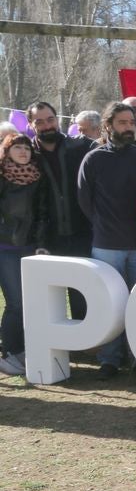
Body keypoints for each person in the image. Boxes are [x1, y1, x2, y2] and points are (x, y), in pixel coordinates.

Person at [76, 101, 136, 378]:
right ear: (108, 126)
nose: (128, 127)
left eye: (131, 123)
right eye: (122, 123)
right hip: (107, 245)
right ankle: (109, 359)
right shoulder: (94, 159)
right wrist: (103, 225)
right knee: (108, 304)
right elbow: (84, 200)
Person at [28, 101, 93, 319]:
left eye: (50, 119)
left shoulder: (81, 147)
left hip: (82, 231)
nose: (47, 126)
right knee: (50, 295)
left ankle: (86, 344)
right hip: (45, 235)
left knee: (83, 290)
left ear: (58, 120)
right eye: (40, 122)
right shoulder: (26, 155)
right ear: (30, 125)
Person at [0, 134, 50, 376]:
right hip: (5, 247)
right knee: (15, 302)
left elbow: (41, 213)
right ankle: (9, 352)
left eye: (27, 148)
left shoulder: (37, 178)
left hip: (29, 247)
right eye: (17, 148)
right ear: (7, 151)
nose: (23, 152)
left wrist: (40, 243)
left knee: (30, 303)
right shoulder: (1, 177)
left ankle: (22, 349)